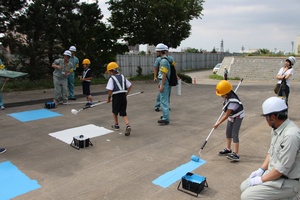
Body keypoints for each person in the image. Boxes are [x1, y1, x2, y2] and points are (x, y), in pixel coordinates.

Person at [240, 96, 300, 200]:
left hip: (288, 180)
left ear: (272, 117)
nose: (266, 120)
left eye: (266, 117)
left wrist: (261, 180)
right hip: (275, 174)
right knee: (244, 186)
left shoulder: (291, 135)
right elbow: (271, 152)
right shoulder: (276, 129)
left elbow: (281, 169)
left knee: (247, 197)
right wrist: (261, 169)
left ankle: (293, 196)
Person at [214, 80, 245, 161]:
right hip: (232, 116)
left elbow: (226, 115)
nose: (221, 96)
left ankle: (236, 154)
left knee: (234, 134)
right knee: (228, 132)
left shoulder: (232, 102)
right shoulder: (228, 95)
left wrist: (218, 123)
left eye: (221, 94)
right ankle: (228, 149)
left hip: (238, 116)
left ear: (226, 93)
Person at [106, 62, 132, 136]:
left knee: (114, 111)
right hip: (123, 96)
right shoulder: (123, 76)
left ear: (112, 71)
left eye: (109, 72)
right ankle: (128, 125)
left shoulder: (111, 78)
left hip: (116, 96)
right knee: (123, 112)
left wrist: (108, 98)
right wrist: (126, 93)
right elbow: (130, 85)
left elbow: (110, 90)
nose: (109, 73)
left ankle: (116, 125)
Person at [155, 43, 171, 125]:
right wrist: (160, 82)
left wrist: (162, 84)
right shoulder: (164, 59)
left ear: (160, 51)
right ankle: (165, 115)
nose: (156, 52)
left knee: (163, 101)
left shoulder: (163, 61)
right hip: (164, 81)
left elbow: (164, 73)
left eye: (157, 51)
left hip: (165, 82)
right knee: (163, 100)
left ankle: (166, 118)